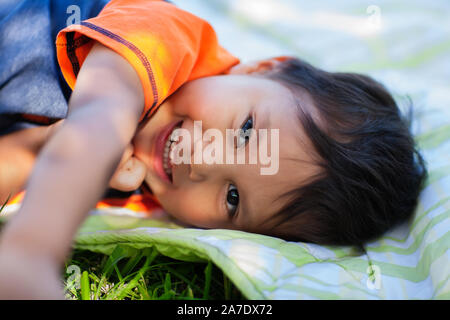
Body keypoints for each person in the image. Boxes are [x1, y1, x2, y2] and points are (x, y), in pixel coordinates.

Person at [0, 0, 426, 299]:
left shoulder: (136, 189)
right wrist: (34, 249)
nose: (201, 161)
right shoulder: (165, 36)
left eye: (233, 197)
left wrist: (39, 150)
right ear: (264, 68)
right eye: (245, 130)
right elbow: (100, 114)